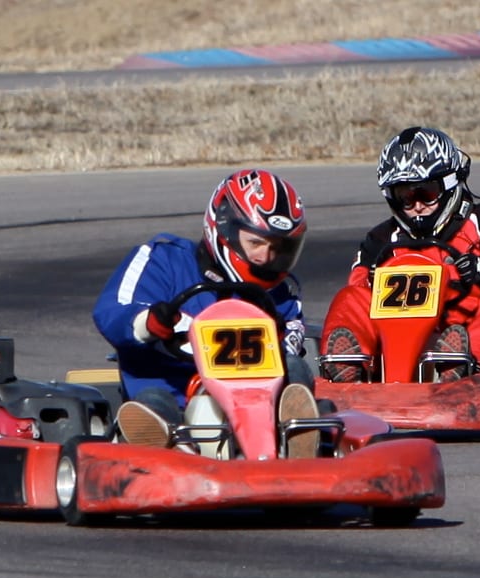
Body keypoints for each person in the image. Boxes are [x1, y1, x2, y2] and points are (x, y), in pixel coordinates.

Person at [92, 168, 319, 455]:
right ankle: (164, 445)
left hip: (258, 403)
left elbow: (292, 335)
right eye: (256, 243)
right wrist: (147, 323)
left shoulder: (281, 294)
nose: (266, 257)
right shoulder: (164, 261)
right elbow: (112, 309)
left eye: (278, 249)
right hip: (173, 396)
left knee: (296, 370)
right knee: (153, 403)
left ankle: (297, 432)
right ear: (223, 227)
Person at [321, 127, 480, 383]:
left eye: (426, 193)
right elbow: (357, 282)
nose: (417, 206)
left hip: (466, 328)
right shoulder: (380, 240)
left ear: (448, 185)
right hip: (393, 340)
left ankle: (464, 364)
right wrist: (372, 281)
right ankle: (349, 366)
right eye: (406, 197)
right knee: (350, 297)